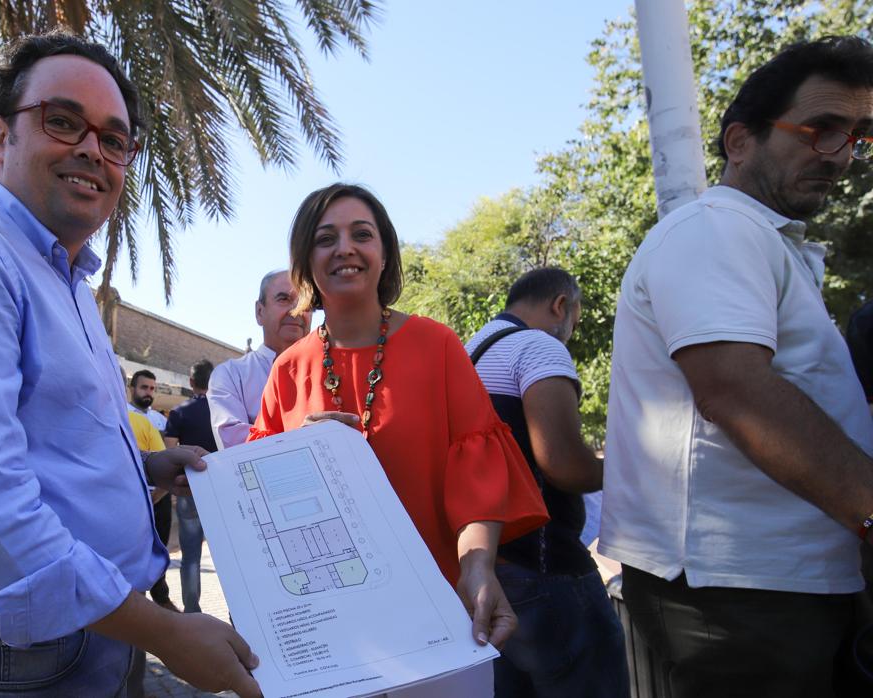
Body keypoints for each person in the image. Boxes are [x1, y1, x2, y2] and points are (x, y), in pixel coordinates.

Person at [0, 31, 260, 697]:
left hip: (92, 636)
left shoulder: (68, 283)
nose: (91, 150)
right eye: (63, 121)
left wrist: (148, 472)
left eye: (115, 139)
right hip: (4, 658)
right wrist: (163, 630)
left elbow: (51, 458)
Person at [600, 36, 873, 698]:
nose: (839, 156)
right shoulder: (716, 229)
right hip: (739, 603)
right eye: (819, 129)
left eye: (858, 137)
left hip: (777, 591)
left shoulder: (763, 243)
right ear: (739, 141)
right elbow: (735, 391)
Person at [251, 183, 548, 649]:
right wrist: (297, 457)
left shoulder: (438, 346)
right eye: (325, 238)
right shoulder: (286, 370)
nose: (344, 248)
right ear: (306, 262)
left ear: (384, 253)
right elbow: (258, 497)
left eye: (361, 234)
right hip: (331, 625)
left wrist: (477, 566)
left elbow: (477, 477)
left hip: (439, 612)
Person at [465, 268, 627, 697]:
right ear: (560, 305)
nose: (570, 332)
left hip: (484, 574)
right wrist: (628, 471)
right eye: (574, 319)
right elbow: (563, 465)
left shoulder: (468, 352)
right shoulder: (538, 346)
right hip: (547, 570)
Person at [209, 270, 313, 450]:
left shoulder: (330, 369)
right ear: (259, 311)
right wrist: (309, 438)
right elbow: (236, 446)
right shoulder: (231, 375)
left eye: (305, 302)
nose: (297, 310)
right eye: (284, 299)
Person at [163, 360, 219, 613]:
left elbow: (169, 451)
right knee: (229, 555)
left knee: (191, 556)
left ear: (191, 382)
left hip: (191, 487)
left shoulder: (178, 412)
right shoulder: (224, 410)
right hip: (221, 488)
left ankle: (193, 610)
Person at [127, 369, 179, 612]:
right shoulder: (124, 415)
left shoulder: (159, 420)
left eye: (152, 388)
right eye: (143, 387)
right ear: (131, 389)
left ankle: (159, 597)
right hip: (132, 500)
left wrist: (157, 495)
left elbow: (164, 459)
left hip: (159, 497)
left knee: (160, 549)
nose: (148, 393)